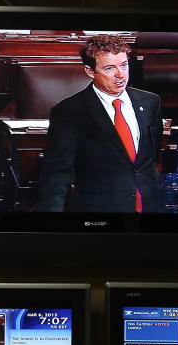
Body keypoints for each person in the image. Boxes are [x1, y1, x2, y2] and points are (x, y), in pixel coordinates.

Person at [36, 34, 163, 212]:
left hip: (149, 205)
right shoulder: (69, 112)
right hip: (100, 211)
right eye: (110, 68)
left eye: (124, 65)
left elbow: (150, 158)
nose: (120, 75)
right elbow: (57, 173)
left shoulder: (150, 102)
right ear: (90, 71)